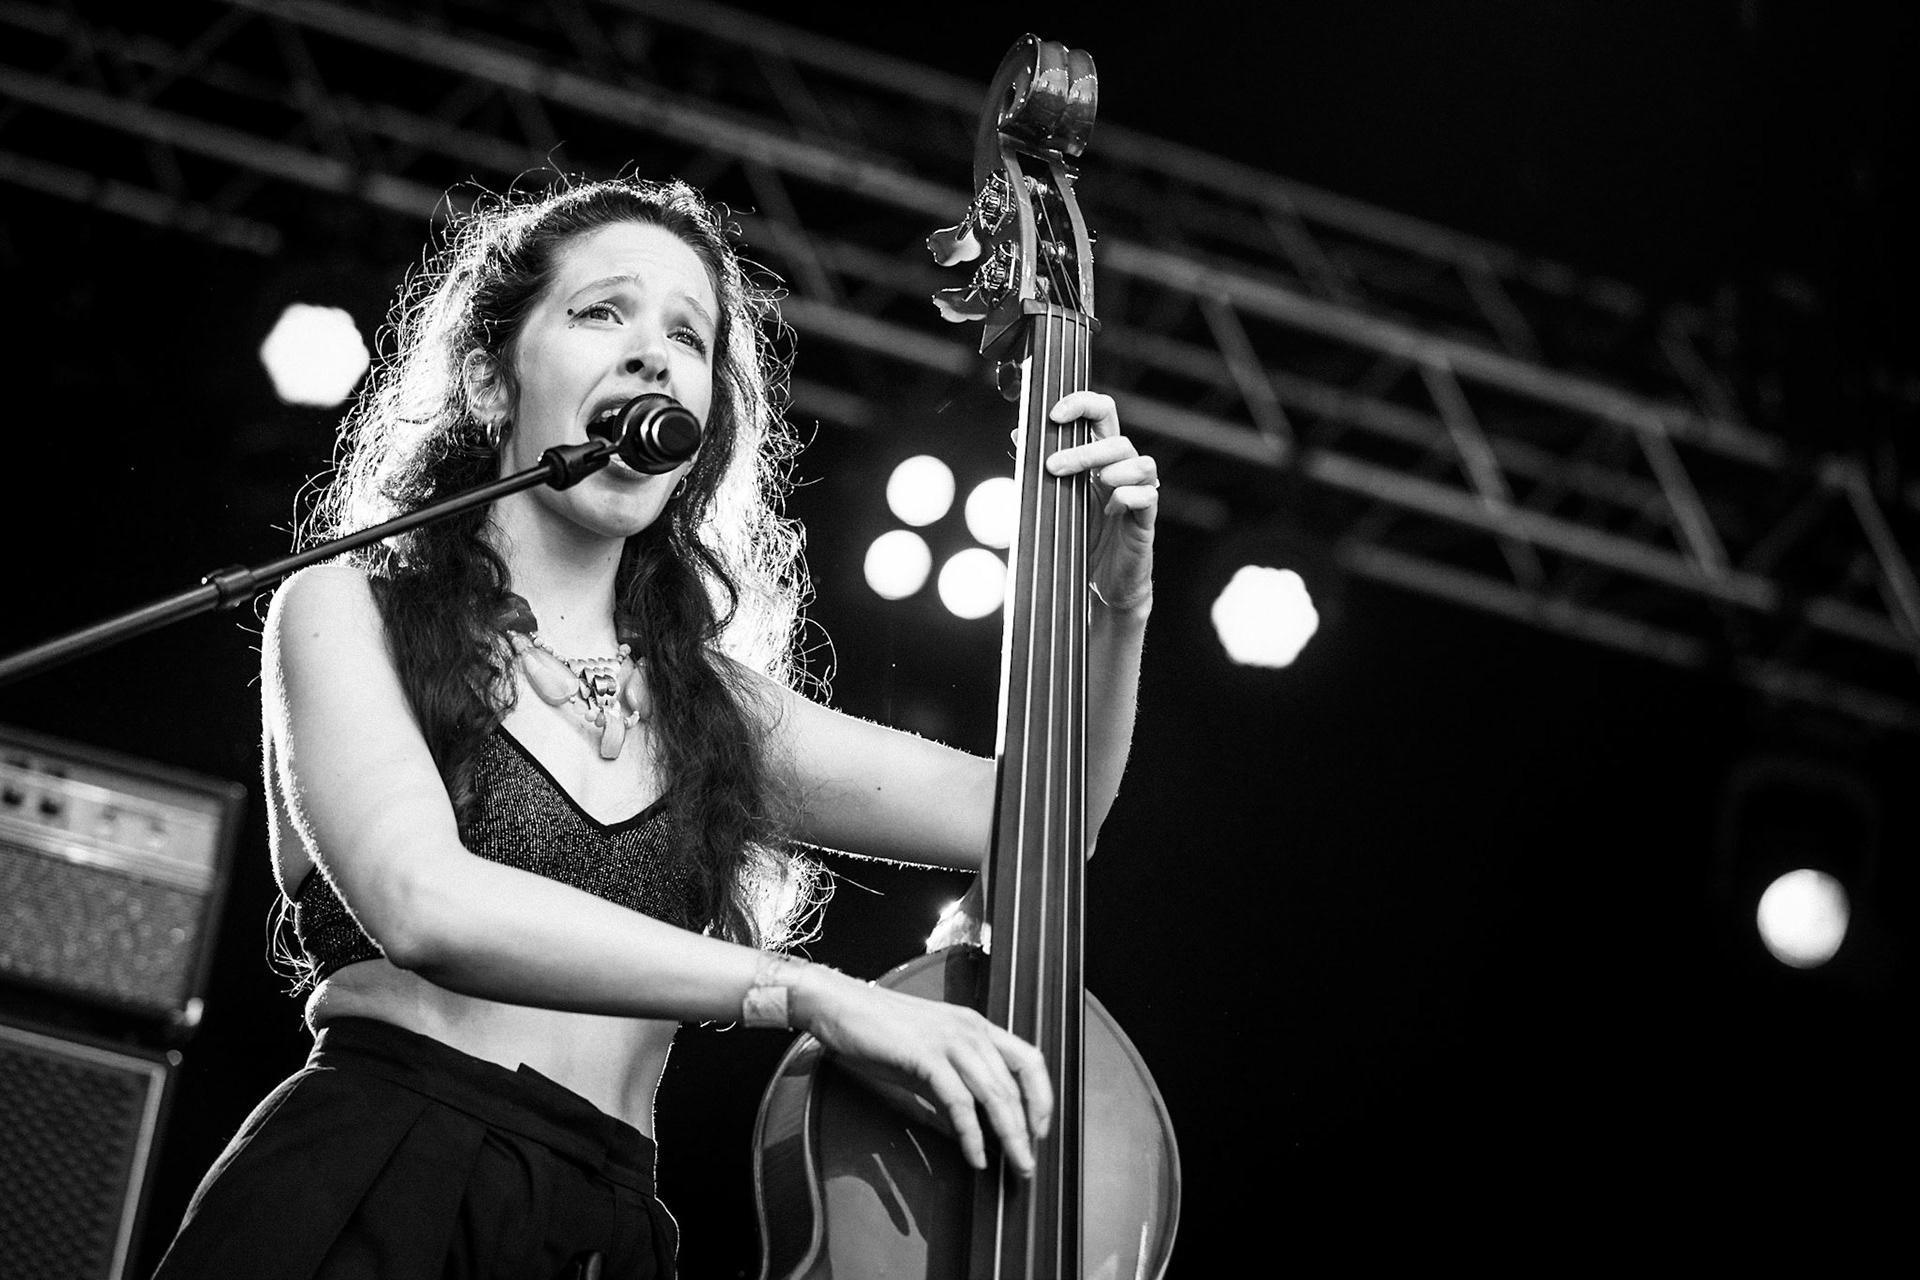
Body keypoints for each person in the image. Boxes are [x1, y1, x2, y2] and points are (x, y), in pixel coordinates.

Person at [150, 175, 1158, 1279]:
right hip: (375, 1177)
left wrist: (1113, 608)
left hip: (605, 1231)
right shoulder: (347, 606)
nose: (653, 354)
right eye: (602, 313)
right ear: (490, 380)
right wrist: (802, 989)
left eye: (688, 334)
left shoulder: (708, 708)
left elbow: (1041, 824)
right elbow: (422, 902)